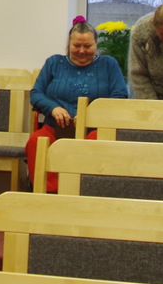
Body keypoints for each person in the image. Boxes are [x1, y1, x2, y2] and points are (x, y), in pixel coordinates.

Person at [28, 17, 129, 192]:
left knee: (99, 143)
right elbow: (36, 93)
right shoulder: (54, 63)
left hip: (94, 130)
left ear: (96, 45)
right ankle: (50, 194)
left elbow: (120, 95)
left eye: (88, 46)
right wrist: (53, 108)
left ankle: (87, 192)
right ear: (69, 45)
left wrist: (90, 115)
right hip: (55, 128)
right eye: (76, 46)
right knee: (35, 141)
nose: (82, 51)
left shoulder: (108, 64)